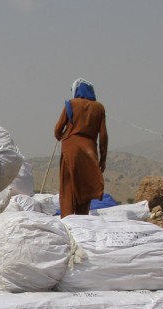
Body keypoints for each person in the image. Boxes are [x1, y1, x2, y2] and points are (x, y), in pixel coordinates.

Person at [54, 78, 108, 217]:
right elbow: (103, 136)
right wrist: (103, 159)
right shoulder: (99, 108)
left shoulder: (71, 104)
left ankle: (67, 221)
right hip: (89, 151)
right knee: (85, 187)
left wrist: (61, 136)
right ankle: (82, 220)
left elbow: (58, 129)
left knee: (68, 186)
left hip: (70, 149)